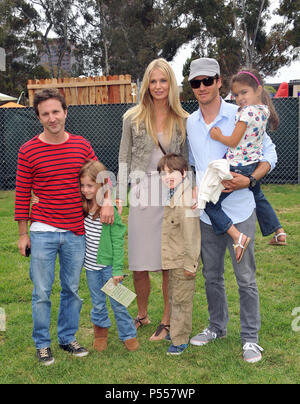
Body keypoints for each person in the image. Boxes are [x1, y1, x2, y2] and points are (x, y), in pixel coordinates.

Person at [186, 58, 278, 363]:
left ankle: (250, 339)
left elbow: (269, 154)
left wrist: (249, 179)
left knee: (246, 279)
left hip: (240, 210)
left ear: (218, 81)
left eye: (207, 81)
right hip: (207, 214)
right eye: (195, 83)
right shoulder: (190, 122)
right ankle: (216, 327)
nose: (201, 87)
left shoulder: (241, 110)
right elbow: (195, 165)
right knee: (212, 276)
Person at [15, 88, 114, 366]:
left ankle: (67, 337)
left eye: (56, 111)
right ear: (39, 118)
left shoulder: (82, 145)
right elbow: (22, 194)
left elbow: (102, 176)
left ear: (66, 112)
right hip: (42, 231)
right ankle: (43, 344)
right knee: (42, 292)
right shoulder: (27, 150)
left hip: (75, 231)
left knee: (71, 288)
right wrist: (23, 234)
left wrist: (107, 201)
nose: (52, 118)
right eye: (45, 114)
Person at [116, 58, 191, 341]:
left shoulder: (182, 118)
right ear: (146, 84)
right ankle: (142, 314)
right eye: (153, 80)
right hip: (140, 193)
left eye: (163, 81)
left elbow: (187, 162)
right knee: (139, 261)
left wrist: (187, 194)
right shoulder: (132, 117)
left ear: (171, 84)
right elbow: (123, 157)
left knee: (168, 262)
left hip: (170, 196)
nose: (158, 86)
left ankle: (167, 320)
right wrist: (118, 195)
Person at [204, 68, 286, 262]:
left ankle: (237, 237)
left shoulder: (246, 113)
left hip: (238, 167)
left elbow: (233, 141)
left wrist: (217, 136)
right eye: (236, 94)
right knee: (259, 196)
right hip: (252, 164)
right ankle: (279, 231)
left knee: (209, 205)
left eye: (244, 92)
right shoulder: (263, 111)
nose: (240, 98)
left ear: (258, 90)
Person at [79, 160, 139, 352]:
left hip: (108, 268)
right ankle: (100, 334)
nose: (85, 190)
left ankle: (128, 334)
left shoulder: (110, 210)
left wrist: (117, 270)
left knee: (119, 303)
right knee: (97, 304)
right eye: (82, 185)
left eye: (90, 186)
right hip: (91, 268)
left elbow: (117, 243)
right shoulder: (81, 208)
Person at [157, 153, 200, 355]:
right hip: (173, 258)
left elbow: (192, 234)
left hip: (183, 260)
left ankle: (181, 339)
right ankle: (175, 329)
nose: (167, 177)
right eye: (163, 174)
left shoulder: (186, 200)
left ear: (183, 173)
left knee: (182, 300)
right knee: (174, 296)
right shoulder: (172, 194)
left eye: (171, 172)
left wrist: (191, 264)